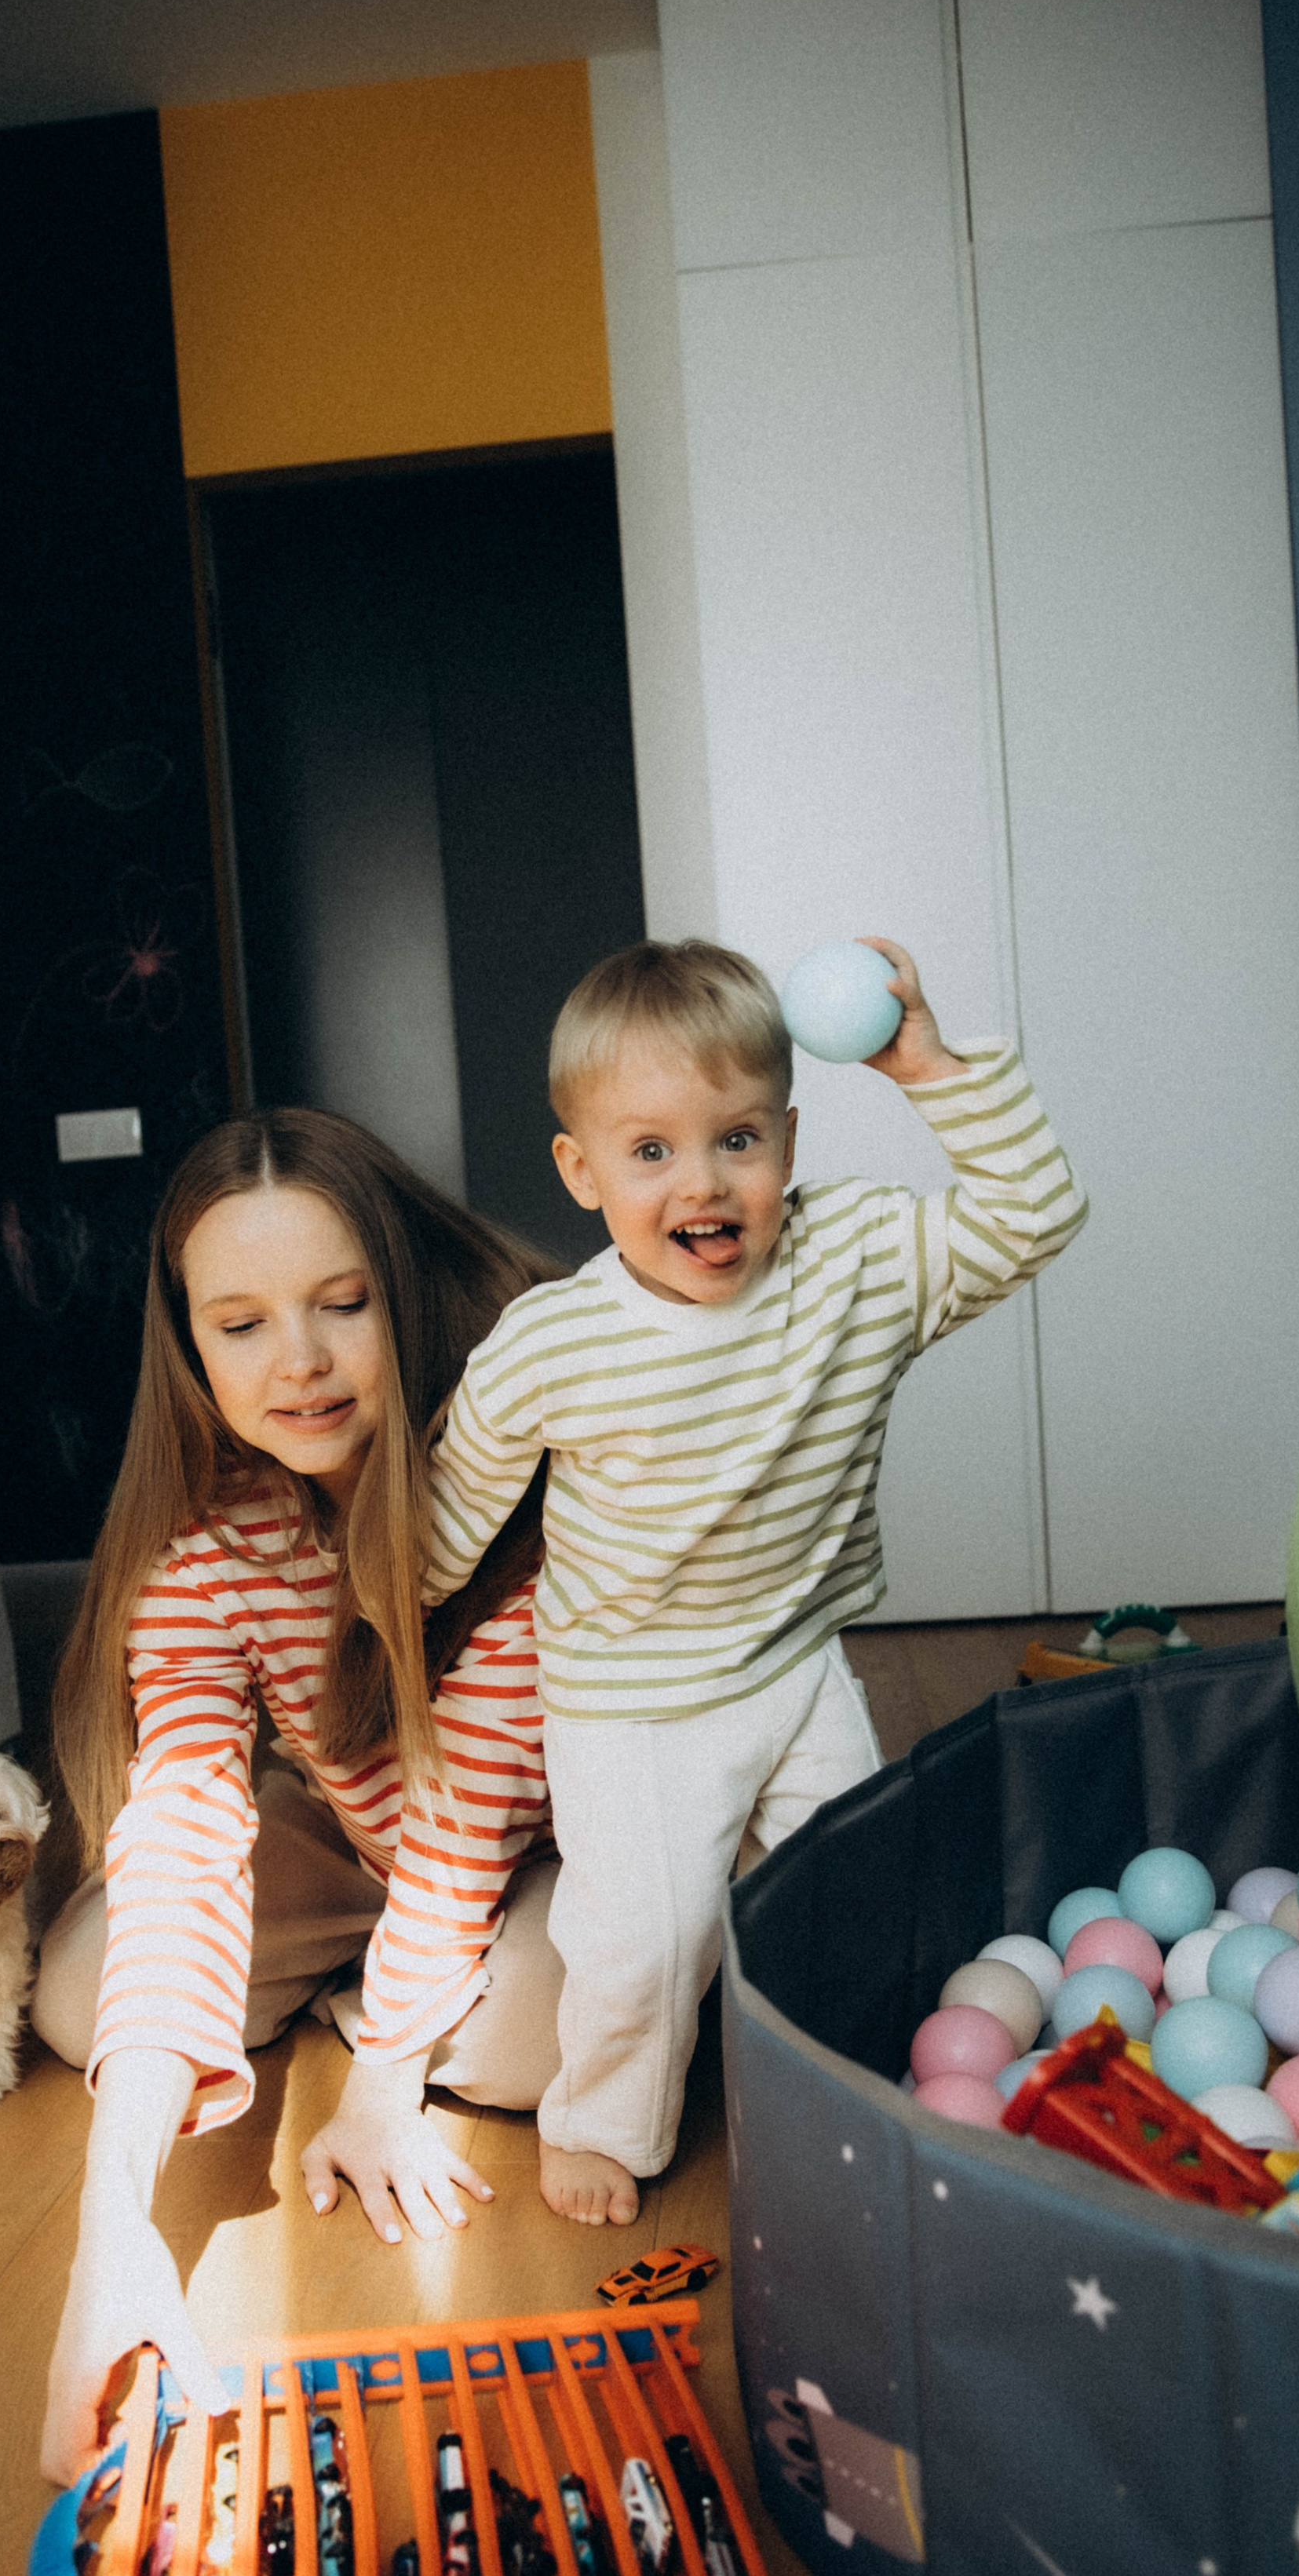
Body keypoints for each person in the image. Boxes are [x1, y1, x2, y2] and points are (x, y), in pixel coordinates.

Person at [427, 936, 1086, 2229]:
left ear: (789, 1137)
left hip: (793, 1664)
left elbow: (1034, 1215)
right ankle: (603, 2120)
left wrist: (932, 1068)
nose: (706, 1183)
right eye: (652, 1150)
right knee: (641, 1943)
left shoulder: (854, 1264)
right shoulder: (553, 1343)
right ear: (582, 1171)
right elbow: (451, 1512)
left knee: (858, 1890)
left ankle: (854, 2090)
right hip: (628, 1699)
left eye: (739, 1139)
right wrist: (374, 1613)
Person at [36, 1109, 564, 2484]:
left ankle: (382, 2008)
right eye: (244, 1325)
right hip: (361, 1826)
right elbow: (190, 1809)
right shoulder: (208, 1525)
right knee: (78, 1994)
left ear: (408, 1288)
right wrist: (113, 2242)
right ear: (190, 1343)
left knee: (528, 2047)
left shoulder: (529, 1456)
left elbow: (473, 1819)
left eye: (344, 1305)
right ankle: (378, 1990)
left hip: (529, 1841)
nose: (304, 1365)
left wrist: (384, 2081)